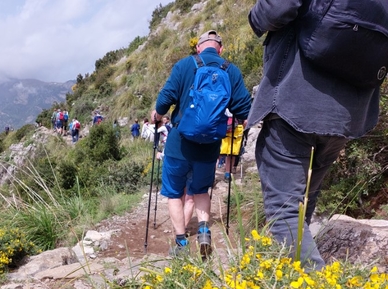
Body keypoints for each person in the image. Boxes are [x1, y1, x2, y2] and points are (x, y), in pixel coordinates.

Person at [247, 1, 383, 271]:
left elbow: (278, 8)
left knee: (285, 211)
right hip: (348, 113)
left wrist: (255, 17)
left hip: (297, 99)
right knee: (300, 212)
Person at [152, 30, 251, 256]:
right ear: (220, 49)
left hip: (179, 143)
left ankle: (181, 243)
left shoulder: (185, 65)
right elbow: (244, 109)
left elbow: (165, 99)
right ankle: (204, 232)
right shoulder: (230, 70)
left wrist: (157, 115)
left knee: (175, 193)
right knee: (200, 190)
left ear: (198, 47)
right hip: (209, 146)